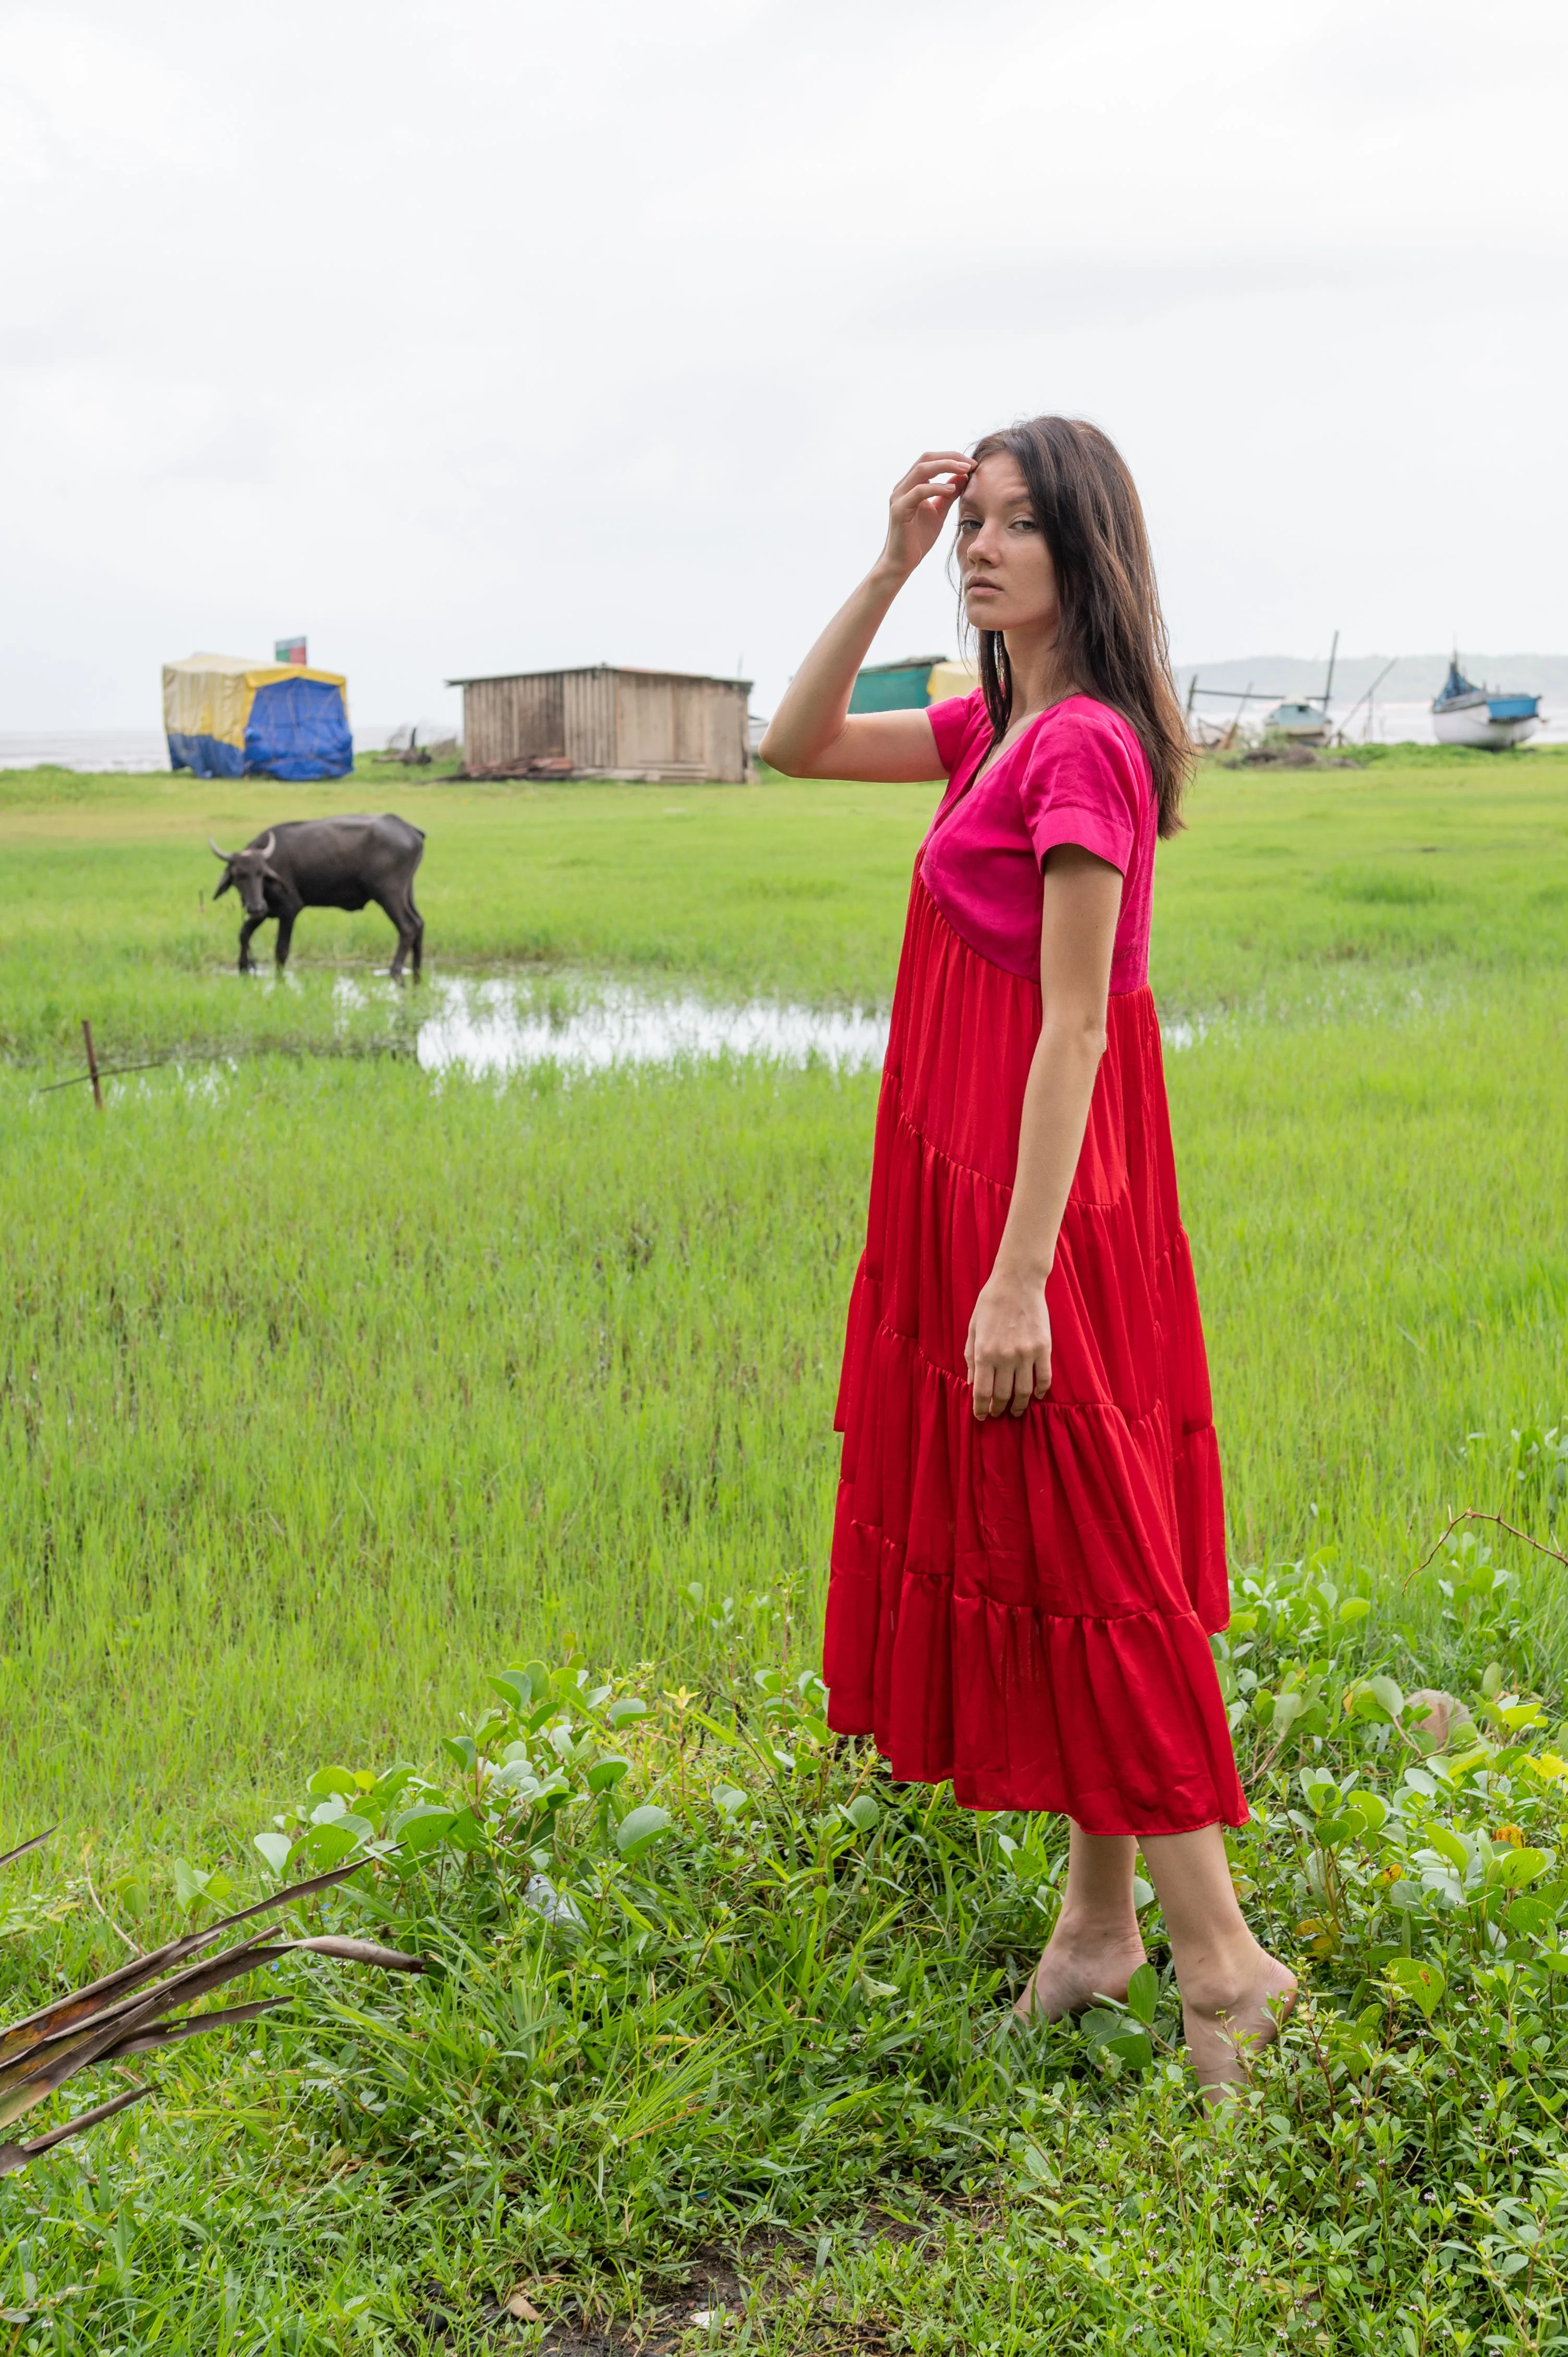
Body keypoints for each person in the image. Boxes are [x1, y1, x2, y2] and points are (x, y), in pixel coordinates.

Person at [760, 418, 1294, 2095]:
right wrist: (881, 567)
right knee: (1069, 1547)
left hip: (1039, 1210)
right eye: (966, 526)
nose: (979, 551)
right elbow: (789, 745)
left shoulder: (1081, 752)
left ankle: (1222, 1962)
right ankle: (1094, 1926)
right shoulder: (998, 725)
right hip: (1020, 1198)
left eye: (1011, 529)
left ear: (1086, 551)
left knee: (1099, 1555)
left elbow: (1071, 1026)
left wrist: (1010, 1279)